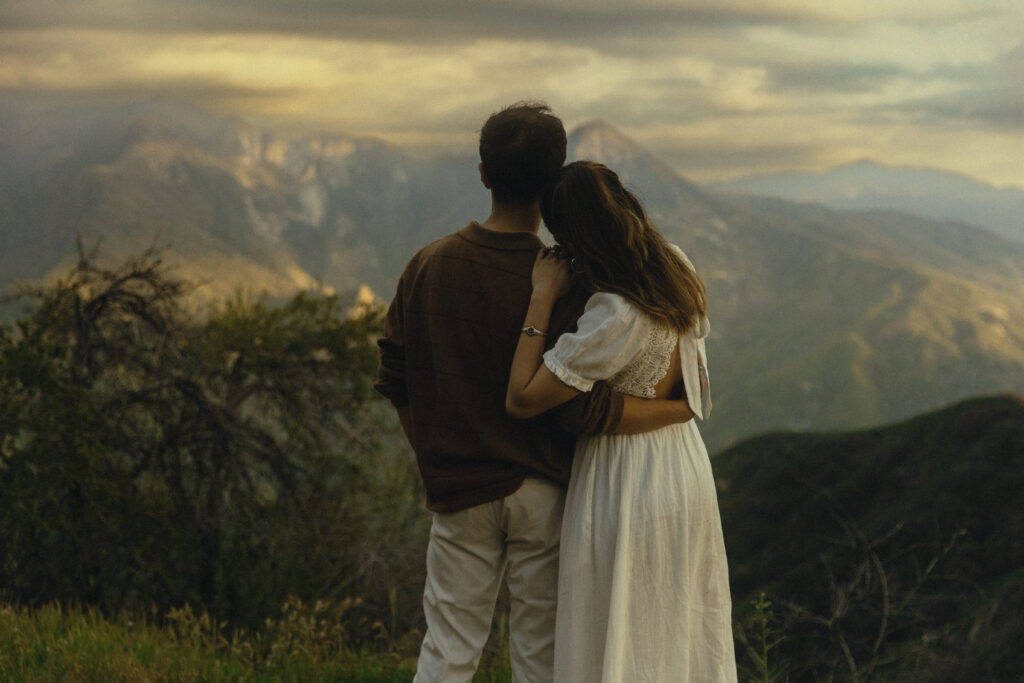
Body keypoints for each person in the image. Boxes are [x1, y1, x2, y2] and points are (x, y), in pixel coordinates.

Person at [374, 103, 695, 683]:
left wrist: (433, 452)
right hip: (545, 487)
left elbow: (394, 376)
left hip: (459, 487)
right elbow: (584, 403)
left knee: (448, 647)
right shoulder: (577, 281)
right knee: (542, 656)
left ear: (481, 173)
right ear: (554, 180)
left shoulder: (427, 265)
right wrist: (677, 407)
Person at [506, 160, 737, 682]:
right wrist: (680, 409)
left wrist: (542, 297)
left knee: (619, 623)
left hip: (624, 476)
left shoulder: (612, 314)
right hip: (683, 464)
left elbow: (522, 399)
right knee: (677, 621)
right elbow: (696, 379)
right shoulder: (677, 267)